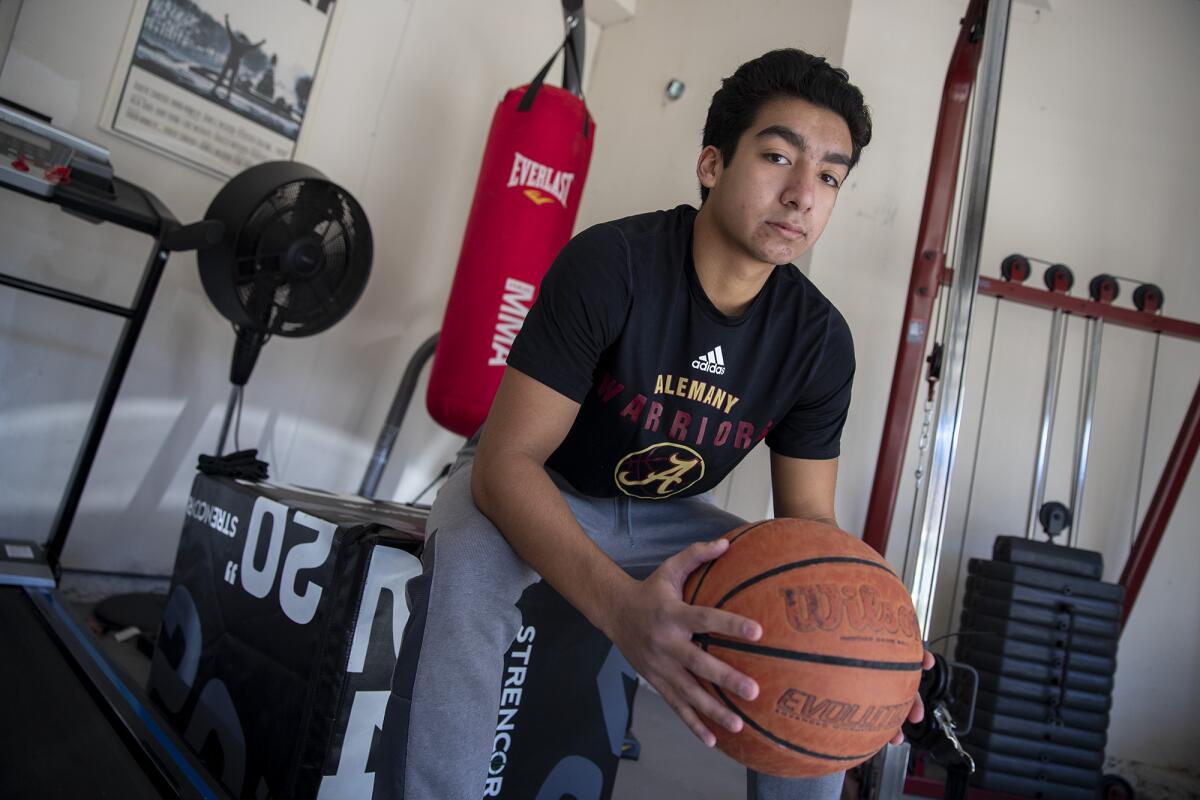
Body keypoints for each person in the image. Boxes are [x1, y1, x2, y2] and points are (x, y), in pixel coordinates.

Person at [374, 48, 931, 800]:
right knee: (469, 562)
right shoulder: (612, 264)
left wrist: (872, 663)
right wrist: (621, 612)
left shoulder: (819, 341)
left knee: (821, 631)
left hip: (670, 520)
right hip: (538, 485)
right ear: (711, 163)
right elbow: (509, 464)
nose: (802, 195)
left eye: (829, 177)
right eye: (777, 157)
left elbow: (809, 528)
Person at [210, 14, 265, 101]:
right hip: (236, 63)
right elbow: (253, 46)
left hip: (230, 60)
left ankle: (216, 89)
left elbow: (229, 31)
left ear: (240, 38)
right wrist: (261, 43)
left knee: (223, 76)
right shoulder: (244, 46)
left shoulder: (235, 41)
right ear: (244, 40)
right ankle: (227, 94)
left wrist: (226, 19)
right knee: (230, 79)